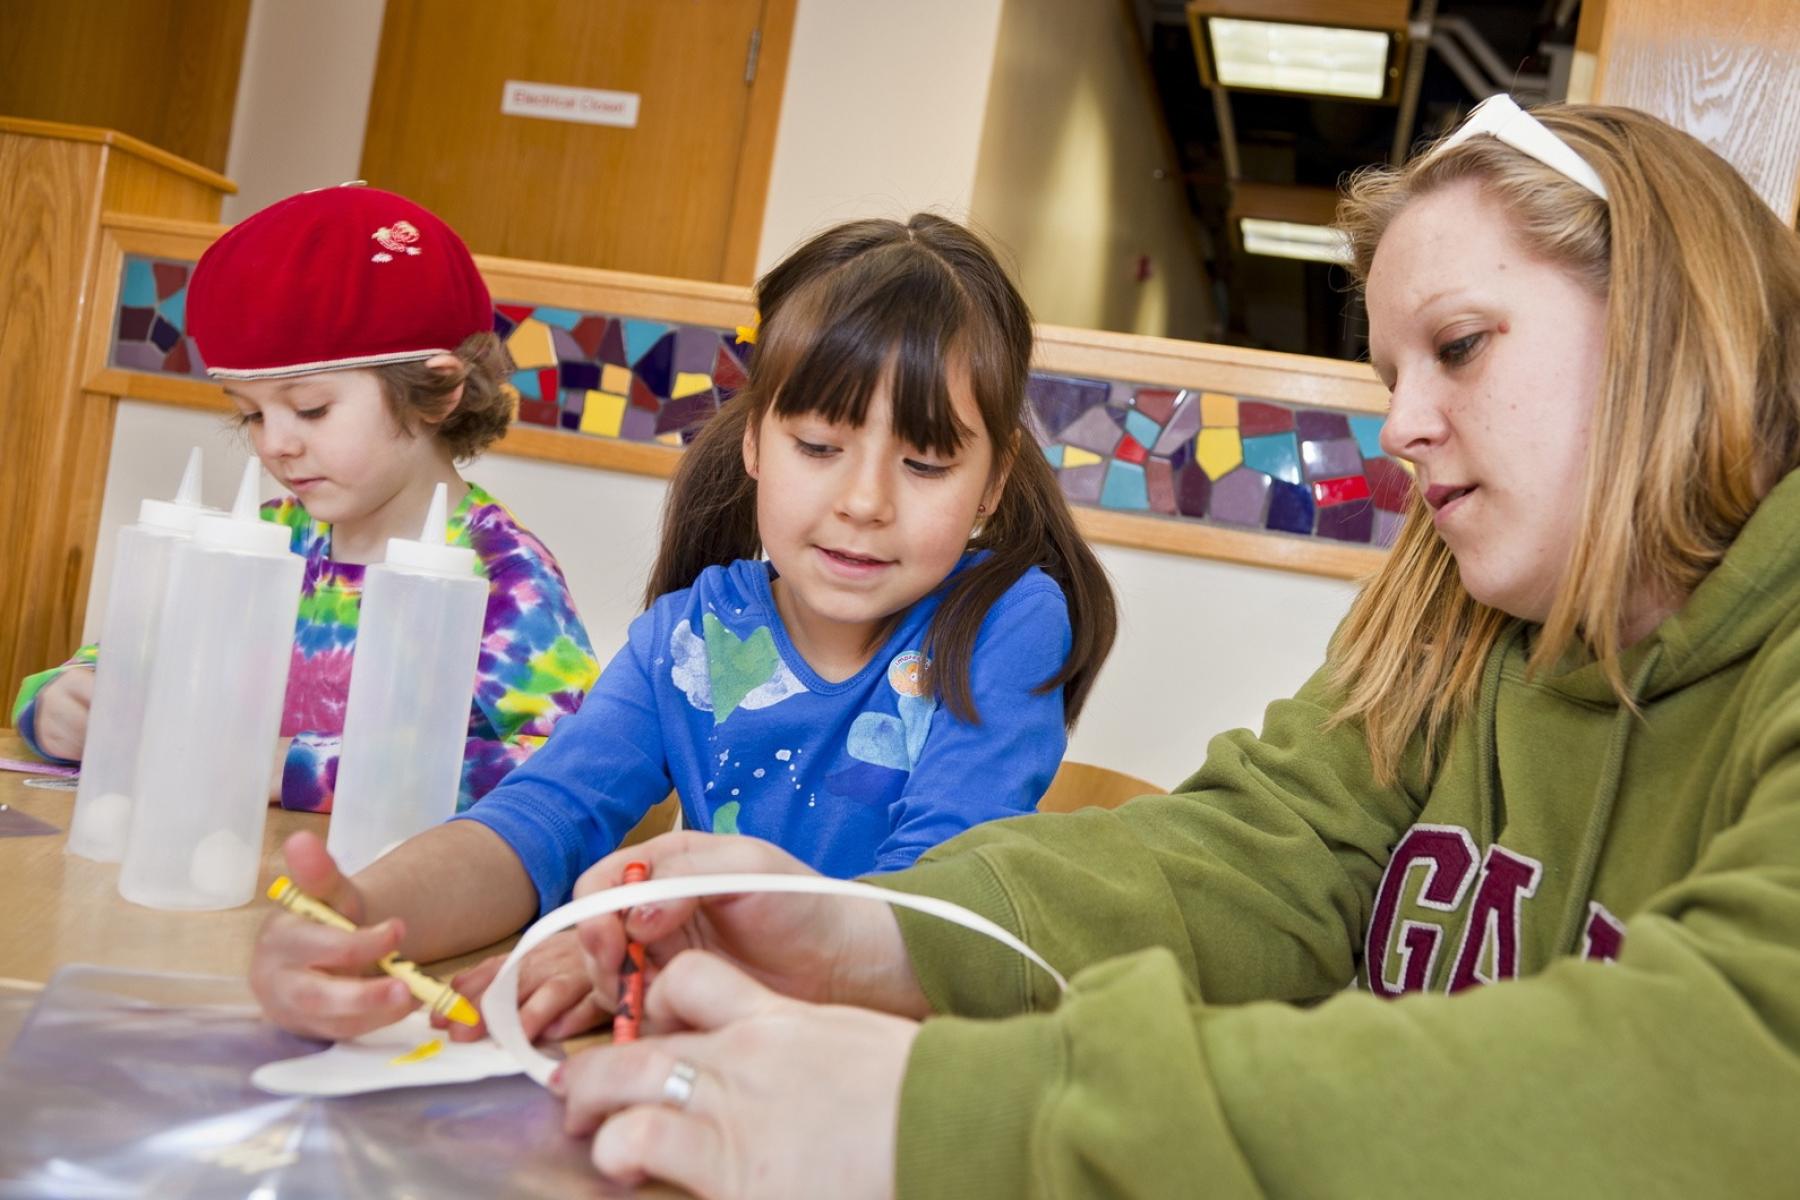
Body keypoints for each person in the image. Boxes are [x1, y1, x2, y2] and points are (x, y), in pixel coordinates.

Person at [543, 100, 1800, 1198]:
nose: (1406, 425)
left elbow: (1744, 1067)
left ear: (1665, 319)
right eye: (1389, 377)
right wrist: (863, 931)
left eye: (1460, 347)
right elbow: (1249, 856)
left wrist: (954, 1116)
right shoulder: (1450, 635)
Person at [250, 213, 1119, 1043]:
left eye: (926, 463)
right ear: (754, 444)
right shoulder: (688, 637)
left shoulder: (1008, 621)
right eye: (819, 447)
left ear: (994, 483)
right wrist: (360, 918)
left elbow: (933, 910)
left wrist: (665, 949)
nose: (865, 503)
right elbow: (539, 821)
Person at [10, 185, 599, 813]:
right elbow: (113, 663)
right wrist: (58, 703)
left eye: (310, 408)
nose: (276, 445)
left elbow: (578, 772)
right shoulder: (262, 543)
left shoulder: (503, 575)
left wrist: (299, 767)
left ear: (438, 389)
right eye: (251, 416)